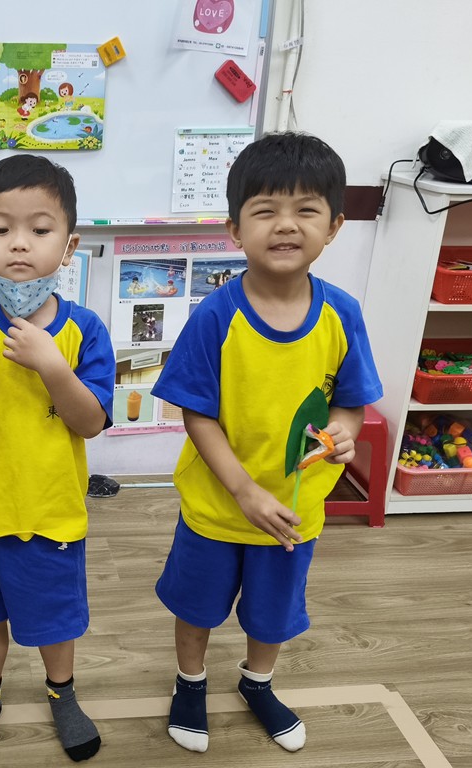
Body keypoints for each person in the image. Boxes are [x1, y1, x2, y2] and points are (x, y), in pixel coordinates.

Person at [150, 132, 383, 755]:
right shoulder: (215, 315)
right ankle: (190, 683)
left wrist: (344, 432)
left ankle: (258, 683)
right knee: (197, 606)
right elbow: (197, 416)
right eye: (265, 210)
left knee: (272, 613)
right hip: (218, 506)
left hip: (294, 510)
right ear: (235, 229)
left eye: (306, 209)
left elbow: (351, 402)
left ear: (333, 226)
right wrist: (244, 491)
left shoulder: (342, 314)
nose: (285, 224)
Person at [0, 155, 115, 763]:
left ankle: (62, 692)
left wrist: (53, 366)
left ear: (69, 245)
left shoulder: (84, 330)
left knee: (55, 618)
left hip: (50, 510)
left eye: (40, 229)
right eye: (0, 228)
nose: (19, 244)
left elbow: (91, 422)